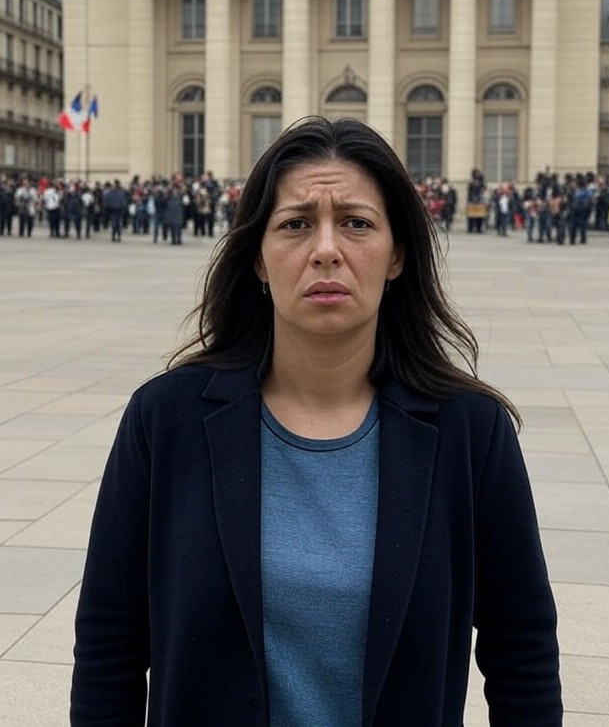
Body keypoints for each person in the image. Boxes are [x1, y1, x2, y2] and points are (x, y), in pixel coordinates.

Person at [70, 117, 561, 727]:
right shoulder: (165, 421)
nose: (326, 249)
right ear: (258, 259)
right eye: (296, 224)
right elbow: (109, 643)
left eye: (356, 223)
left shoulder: (472, 433)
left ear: (397, 255)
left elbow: (523, 654)